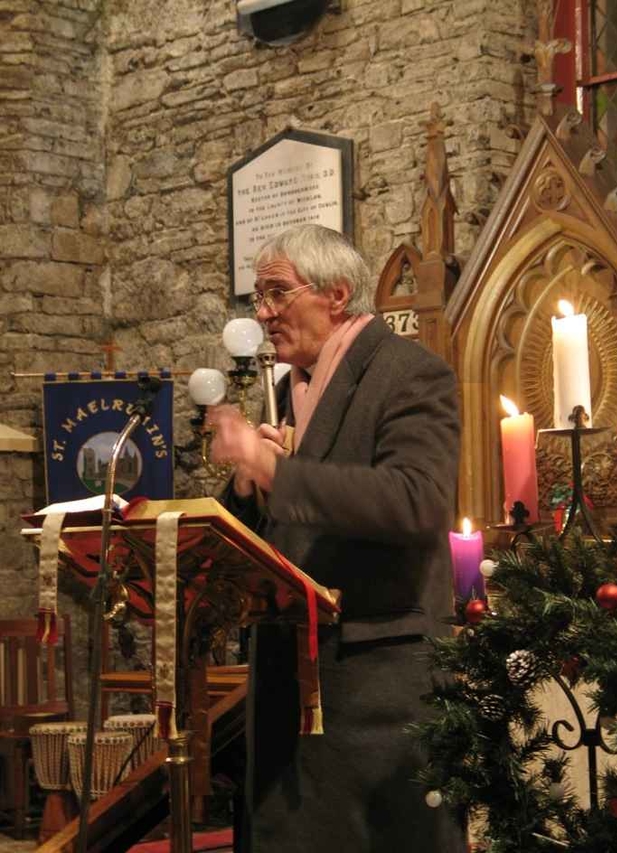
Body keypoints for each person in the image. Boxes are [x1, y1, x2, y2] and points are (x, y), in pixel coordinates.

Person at [208, 224, 464, 853]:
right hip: (288, 693)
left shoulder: (409, 373)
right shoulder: (290, 388)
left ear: (338, 294)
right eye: (257, 298)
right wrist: (246, 489)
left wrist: (280, 472)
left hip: (375, 695)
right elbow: (281, 526)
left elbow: (418, 500)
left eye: (275, 294)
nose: (262, 314)